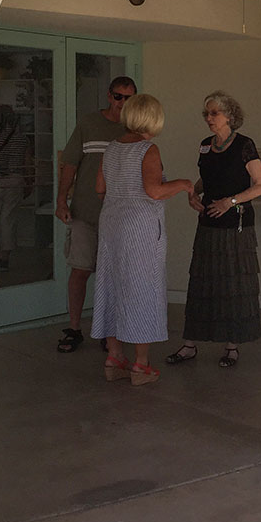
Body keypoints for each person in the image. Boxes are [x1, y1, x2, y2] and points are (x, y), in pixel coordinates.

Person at [92, 95, 193, 386]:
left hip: (111, 222)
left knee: (111, 284)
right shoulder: (148, 149)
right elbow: (155, 191)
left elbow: (100, 188)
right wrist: (185, 184)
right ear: (153, 119)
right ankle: (141, 365)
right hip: (140, 228)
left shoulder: (110, 148)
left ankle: (114, 357)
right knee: (142, 288)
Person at [167, 91, 261, 368]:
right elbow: (206, 178)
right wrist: (193, 193)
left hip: (235, 226)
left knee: (232, 283)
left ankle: (231, 346)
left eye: (215, 113)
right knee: (202, 281)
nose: (209, 118)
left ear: (229, 116)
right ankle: (190, 344)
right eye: (207, 114)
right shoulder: (205, 145)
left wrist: (230, 201)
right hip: (208, 222)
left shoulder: (245, 145)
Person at [54, 75, 138, 353]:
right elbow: (70, 163)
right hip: (85, 212)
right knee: (80, 270)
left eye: (129, 98)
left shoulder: (134, 129)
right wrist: (61, 200)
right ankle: (75, 327)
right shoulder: (89, 123)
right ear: (108, 95)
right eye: (118, 97)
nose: (122, 103)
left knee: (113, 274)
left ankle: (108, 330)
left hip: (118, 215)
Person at [0, 105, 32, 273]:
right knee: (7, 220)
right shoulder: (22, 139)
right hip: (15, 180)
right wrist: (29, 182)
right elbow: (27, 163)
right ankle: (3, 258)